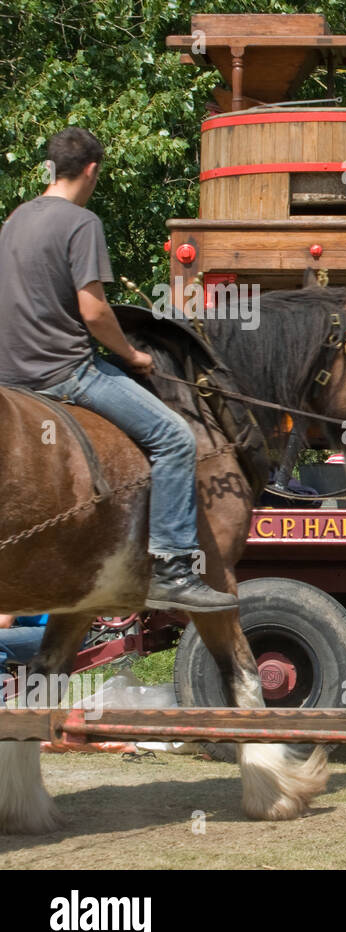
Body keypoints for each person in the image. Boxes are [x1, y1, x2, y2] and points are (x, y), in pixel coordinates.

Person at [0, 127, 236, 612]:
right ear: (92, 170)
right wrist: (132, 356)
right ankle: (172, 567)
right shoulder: (80, 223)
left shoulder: (16, 220)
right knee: (174, 438)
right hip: (62, 372)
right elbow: (94, 311)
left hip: (10, 374)